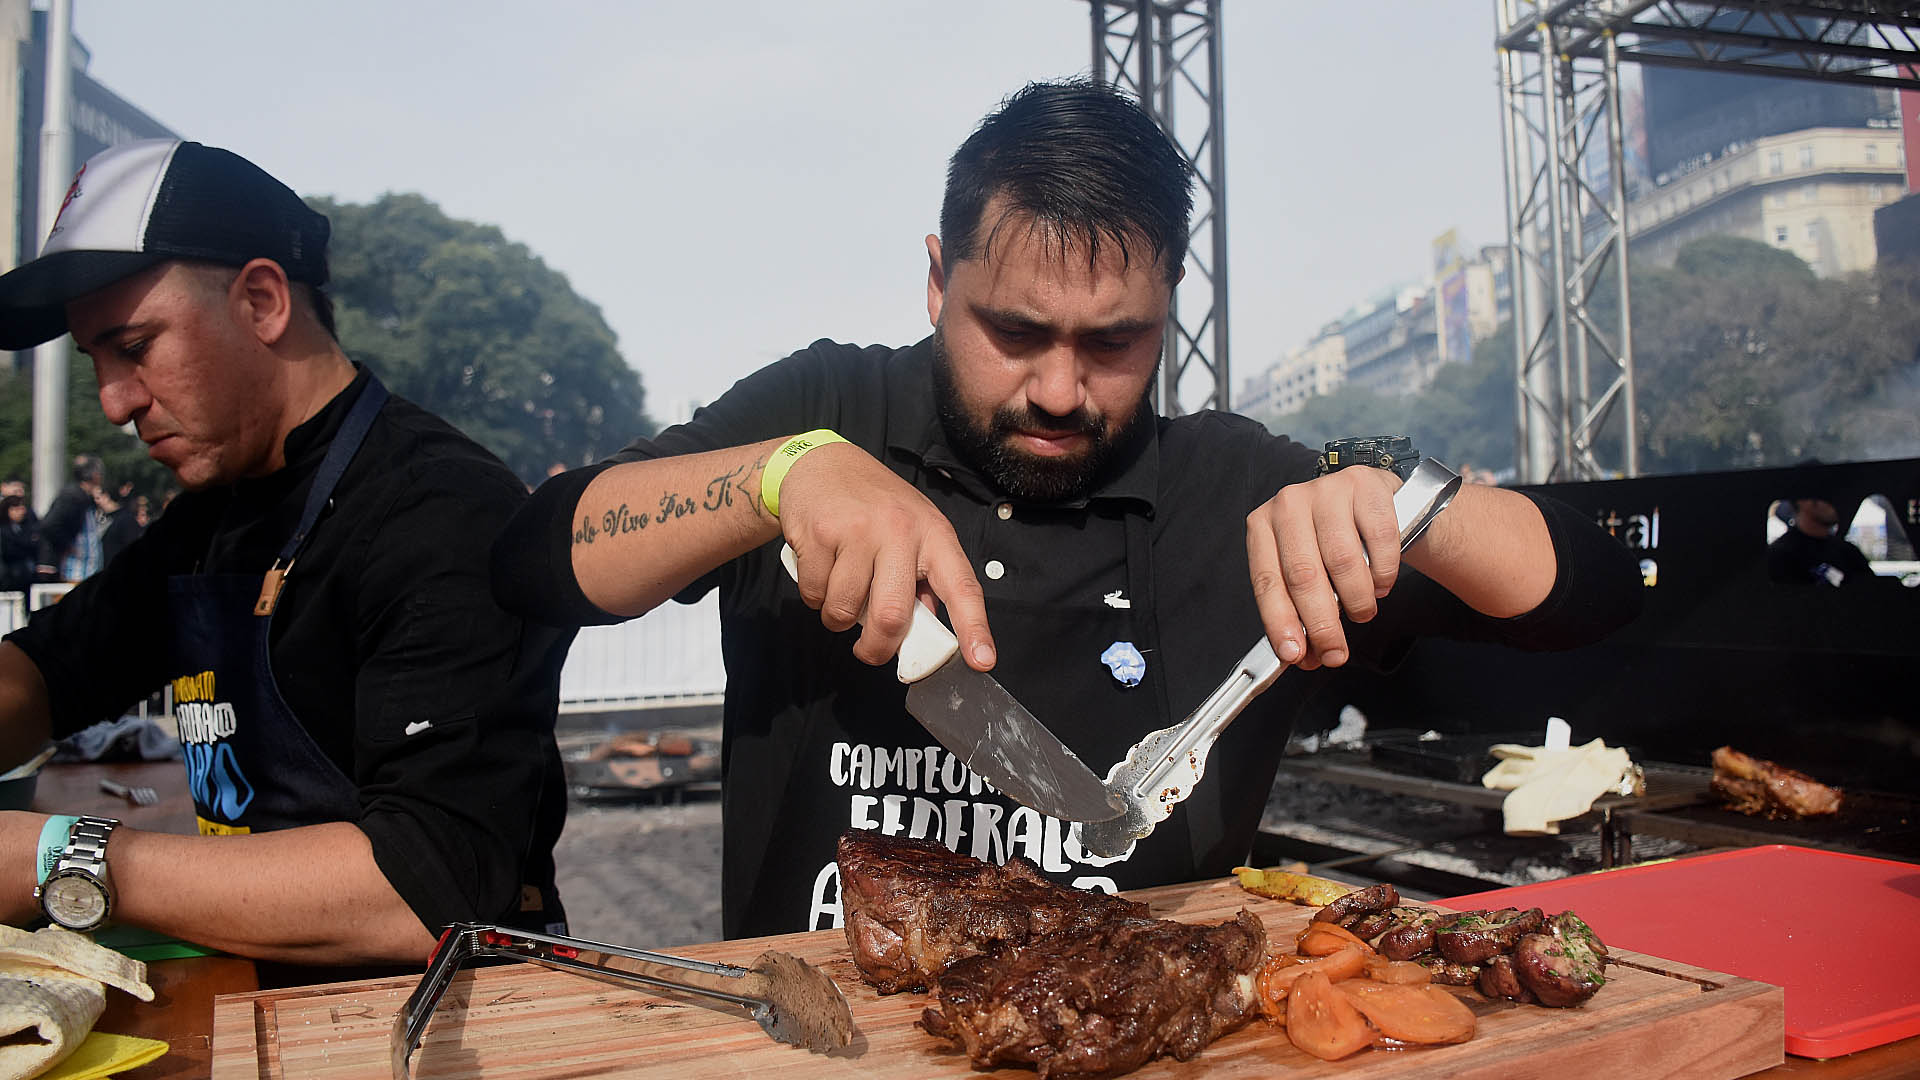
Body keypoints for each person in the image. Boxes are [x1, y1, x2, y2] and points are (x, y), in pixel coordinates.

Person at [493, 79, 1644, 939]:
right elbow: (540, 561)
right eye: (1013, 330)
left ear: (1168, 307)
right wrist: (778, 478)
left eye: (1113, 342)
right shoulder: (824, 407)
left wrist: (1400, 496)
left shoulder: (1237, 486)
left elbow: (1589, 595)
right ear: (938, 280)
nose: (1057, 388)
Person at [0, 139, 572, 976]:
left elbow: (426, 887)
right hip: (261, 990)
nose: (114, 400)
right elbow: (48, 669)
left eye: (135, 347)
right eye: (94, 362)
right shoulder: (214, 512)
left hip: (438, 1018)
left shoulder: (440, 507)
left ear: (262, 300)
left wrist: (53, 857)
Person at [1768, 496, 1874, 586]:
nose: (1833, 505)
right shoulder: (1780, 555)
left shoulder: (1848, 552)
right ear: (1803, 502)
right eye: (1826, 499)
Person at [34, 456, 107, 583]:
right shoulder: (72, 497)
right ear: (94, 475)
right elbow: (49, 525)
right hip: (74, 570)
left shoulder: (85, 497)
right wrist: (68, 545)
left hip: (86, 570)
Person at [0, 496, 35, 593]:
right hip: (10, 577)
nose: (22, 512)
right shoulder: (4, 530)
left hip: (25, 575)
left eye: (23, 508)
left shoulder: (28, 527)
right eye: (17, 509)